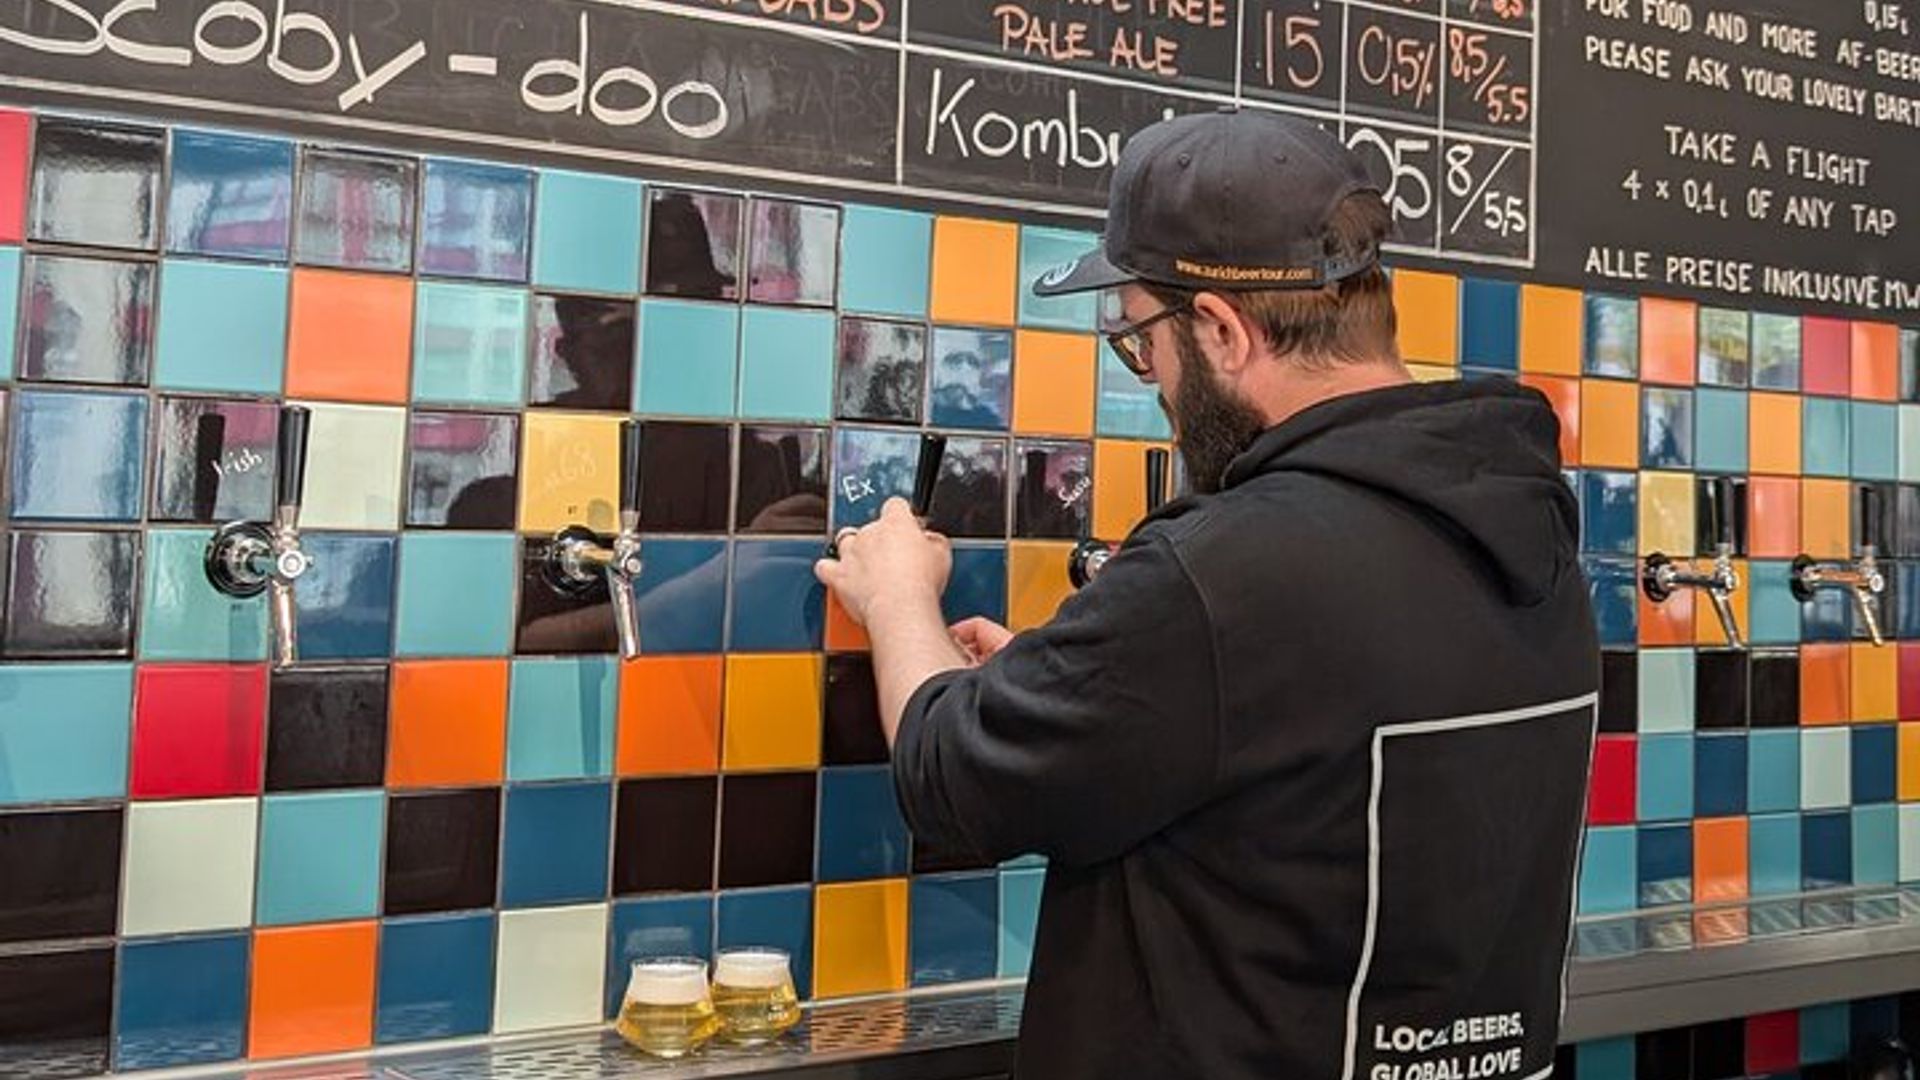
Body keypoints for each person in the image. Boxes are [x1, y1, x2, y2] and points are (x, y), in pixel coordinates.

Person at [815, 108, 1599, 1080]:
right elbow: (1302, 754)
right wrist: (1099, 691)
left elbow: (948, 780)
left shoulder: (1224, 572)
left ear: (1223, 331)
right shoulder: (1530, 524)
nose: (1152, 380)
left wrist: (897, 597)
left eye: (1142, 342)